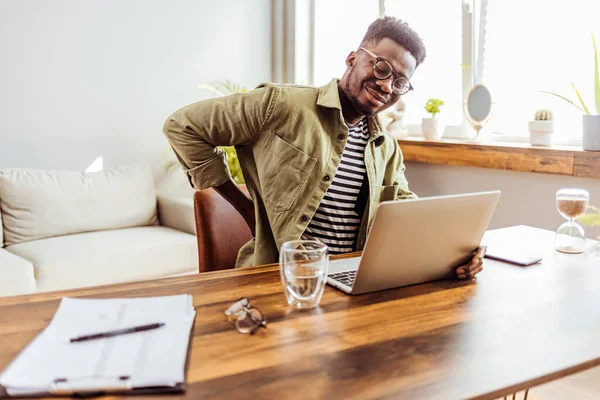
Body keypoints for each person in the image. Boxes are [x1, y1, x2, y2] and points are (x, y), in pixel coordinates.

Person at [163, 16, 485, 280]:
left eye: (400, 82)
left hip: (350, 281)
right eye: (382, 68)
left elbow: (406, 215)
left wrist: (457, 250)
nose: (387, 86)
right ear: (353, 59)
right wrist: (245, 207)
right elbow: (183, 126)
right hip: (278, 279)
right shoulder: (280, 105)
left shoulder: (386, 148)